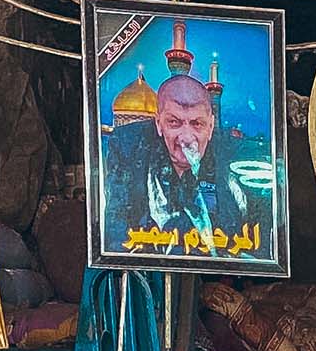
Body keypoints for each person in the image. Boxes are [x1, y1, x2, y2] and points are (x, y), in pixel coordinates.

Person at [98, 49, 270, 261]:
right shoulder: (129, 149)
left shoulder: (236, 158)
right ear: (159, 124)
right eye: (174, 122)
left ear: (211, 126)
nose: (186, 137)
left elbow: (260, 241)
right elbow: (116, 236)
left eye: (196, 124)